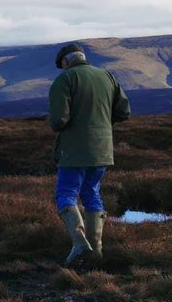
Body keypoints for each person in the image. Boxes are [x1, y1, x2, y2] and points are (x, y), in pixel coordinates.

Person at [48, 43, 131, 264]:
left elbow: (59, 120)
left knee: (65, 193)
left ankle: (80, 244)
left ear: (65, 61)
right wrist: (102, 124)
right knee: (91, 193)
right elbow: (124, 112)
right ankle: (96, 251)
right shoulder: (107, 76)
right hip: (102, 149)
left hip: (74, 150)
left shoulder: (65, 79)